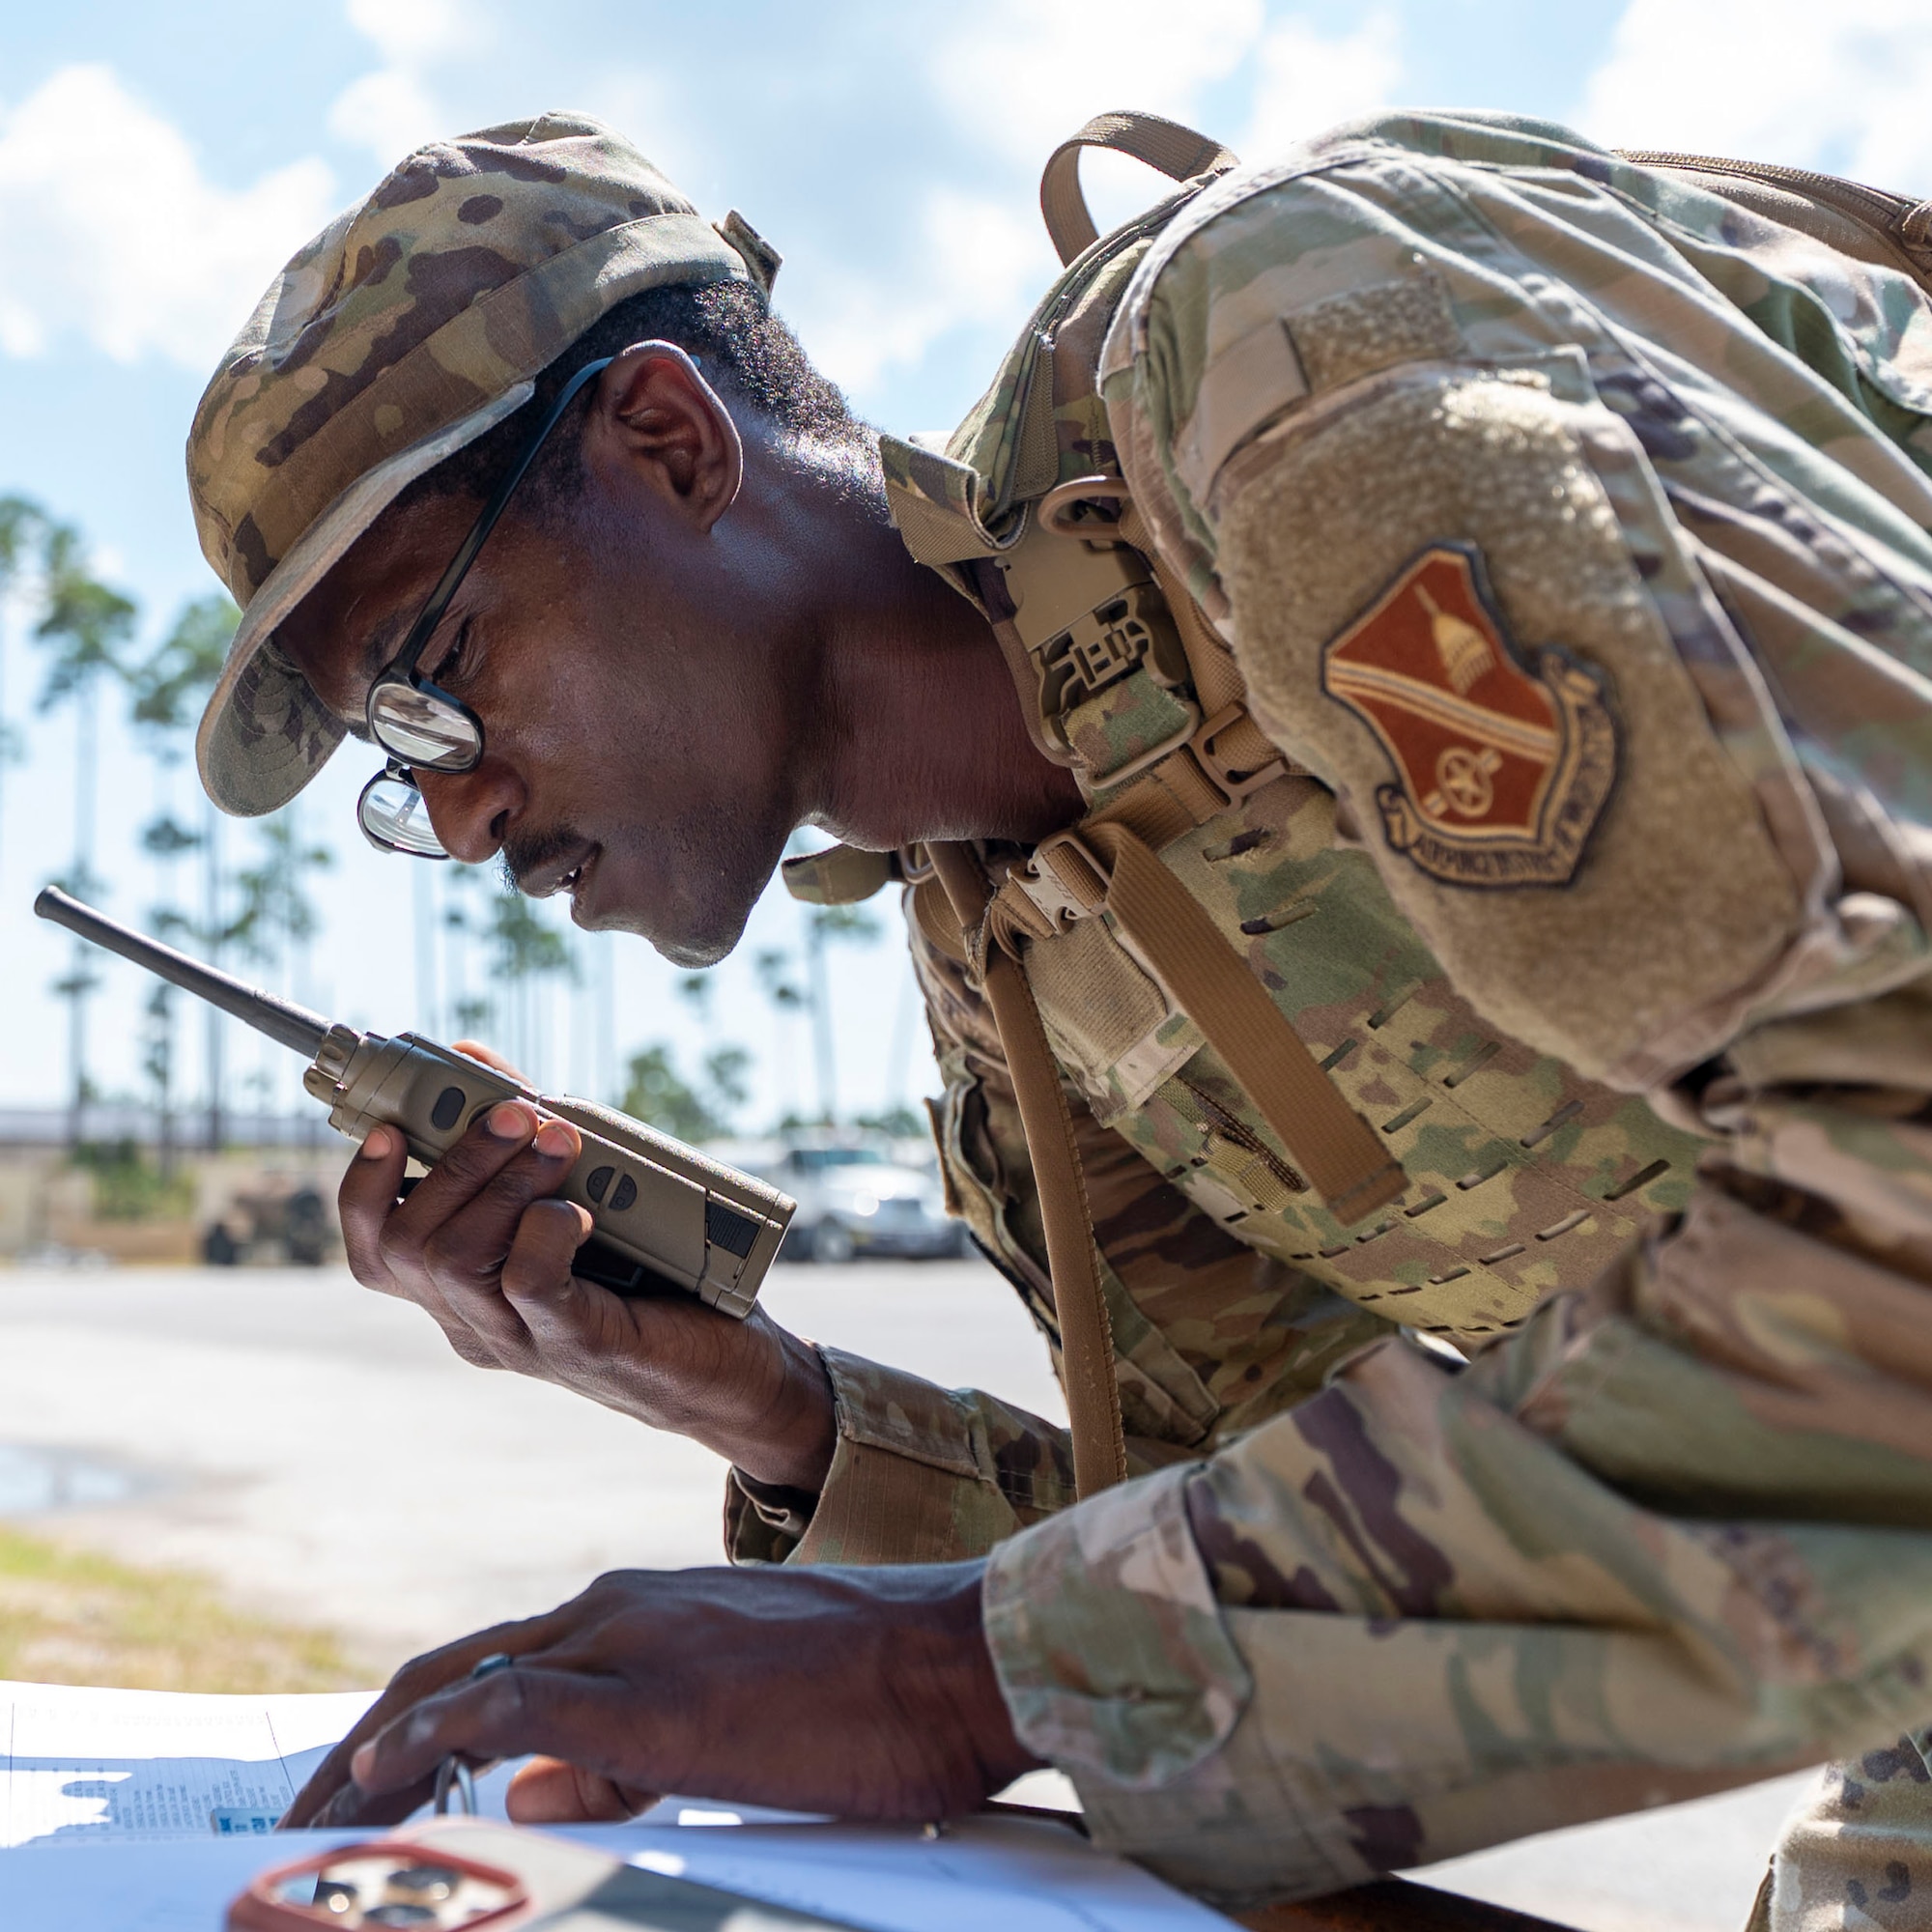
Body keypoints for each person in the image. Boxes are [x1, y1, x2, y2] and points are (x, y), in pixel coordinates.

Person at [184, 106, 1932, 1924]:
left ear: (668, 443)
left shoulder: (1286, 371)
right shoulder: (1009, 935)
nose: (458, 817)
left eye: (439, 676)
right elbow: (1242, 1559)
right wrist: (771, 1412)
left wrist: (953, 1678)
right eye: (403, 762)